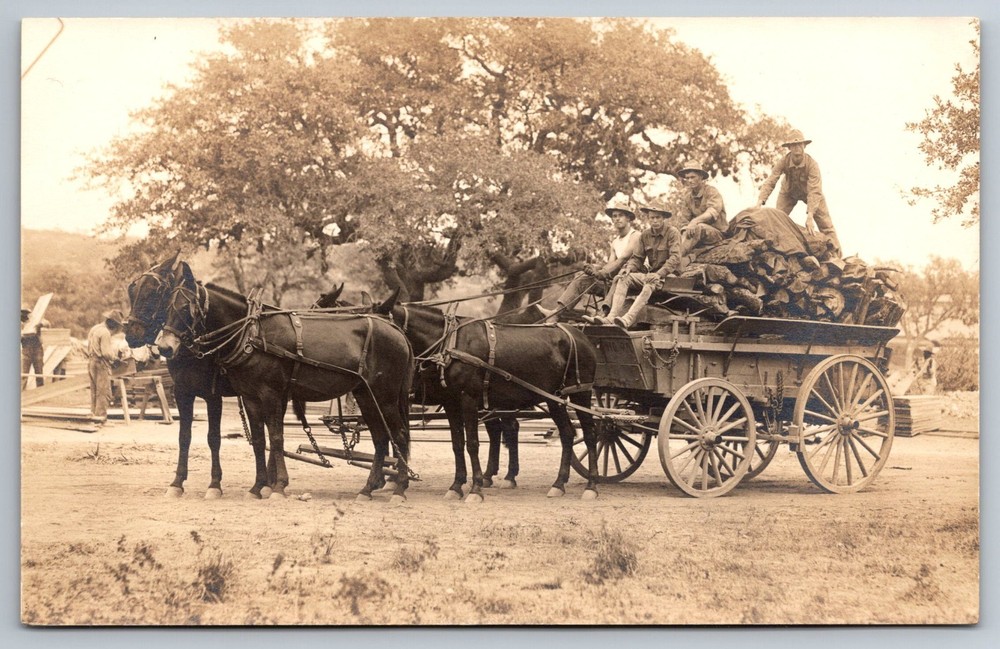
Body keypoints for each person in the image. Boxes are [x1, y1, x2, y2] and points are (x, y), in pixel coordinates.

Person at [541, 200, 641, 320]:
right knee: (581, 277)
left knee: (618, 277)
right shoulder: (615, 242)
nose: (617, 219)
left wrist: (602, 272)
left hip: (632, 280)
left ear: (628, 218)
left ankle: (603, 314)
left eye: (621, 215)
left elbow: (622, 259)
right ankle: (556, 314)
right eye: (614, 216)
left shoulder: (635, 236)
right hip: (616, 281)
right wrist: (594, 269)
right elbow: (610, 265)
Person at [594, 199, 682, 329]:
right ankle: (611, 317)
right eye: (652, 218)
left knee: (649, 282)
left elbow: (675, 258)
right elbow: (637, 258)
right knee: (623, 278)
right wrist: (629, 268)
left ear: (663, 218)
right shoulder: (645, 235)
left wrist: (659, 274)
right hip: (652, 274)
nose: (655, 221)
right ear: (648, 218)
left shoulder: (672, 233)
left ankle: (628, 318)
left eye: (658, 217)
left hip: (670, 276)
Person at [757, 129, 842, 256]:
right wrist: (760, 201)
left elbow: (814, 190)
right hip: (788, 193)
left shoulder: (812, 165)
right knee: (777, 219)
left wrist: (810, 215)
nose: (797, 148)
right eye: (793, 145)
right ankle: (776, 251)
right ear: (789, 148)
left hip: (811, 194)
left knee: (826, 225)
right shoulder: (783, 161)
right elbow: (771, 180)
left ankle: (837, 256)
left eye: (799, 144)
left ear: (804, 146)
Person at [675, 161, 727, 258]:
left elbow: (712, 212)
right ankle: (667, 260)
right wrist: (684, 230)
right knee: (673, 234)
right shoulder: (688, 197)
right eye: (687, 178)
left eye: (693, 177)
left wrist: (694, 221)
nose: (690, 180)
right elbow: (684, 221)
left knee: (698, 227)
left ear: (701, 177)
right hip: (698, 236)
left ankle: (673, 261)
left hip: (717, 234)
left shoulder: (711, 191)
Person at [87, 309, 125, 422]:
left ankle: (94, 415)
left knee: (94, 391)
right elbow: (106, 353)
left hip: (91, 361)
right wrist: (115, 359)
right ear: (112, 322)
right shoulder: (105, 332)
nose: (115, 328)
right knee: (103, 392)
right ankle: (101, 417)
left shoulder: (95, 328)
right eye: (116, 324)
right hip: (100, 363)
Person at [20, 305, 48, 389]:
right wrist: (23, 334)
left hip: (37, 349)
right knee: (24, 374)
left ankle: (40, 392)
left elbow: (47, 323)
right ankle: (22, 393)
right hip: (26, 350)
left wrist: (40, 324)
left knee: (39, 372)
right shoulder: (20, 325)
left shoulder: (36, 321)